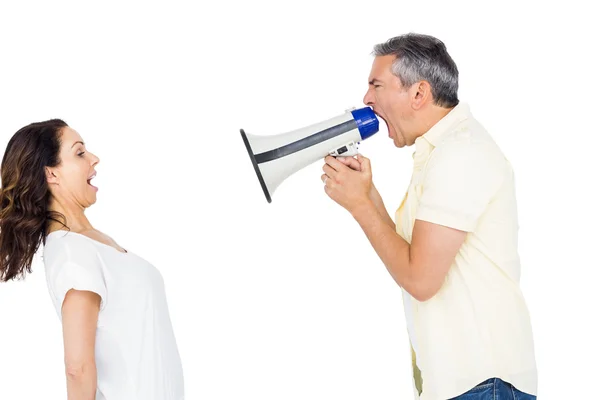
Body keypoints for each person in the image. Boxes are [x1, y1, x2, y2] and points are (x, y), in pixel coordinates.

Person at [321, 33, 537, 400]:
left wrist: (360, 207)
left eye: (376, 85)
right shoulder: (442, 152)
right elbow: (413, 257)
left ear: (419, 94)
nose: (366, 99)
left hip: (483, 385)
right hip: (467, 386)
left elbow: (420, 279)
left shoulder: (461, 153)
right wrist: (368, 197)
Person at [0, 119, 184, 400]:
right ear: (51, 174)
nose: (94, 159)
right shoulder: (73, 252)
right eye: (79, 153)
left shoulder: (89, 243)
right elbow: (77, 367)